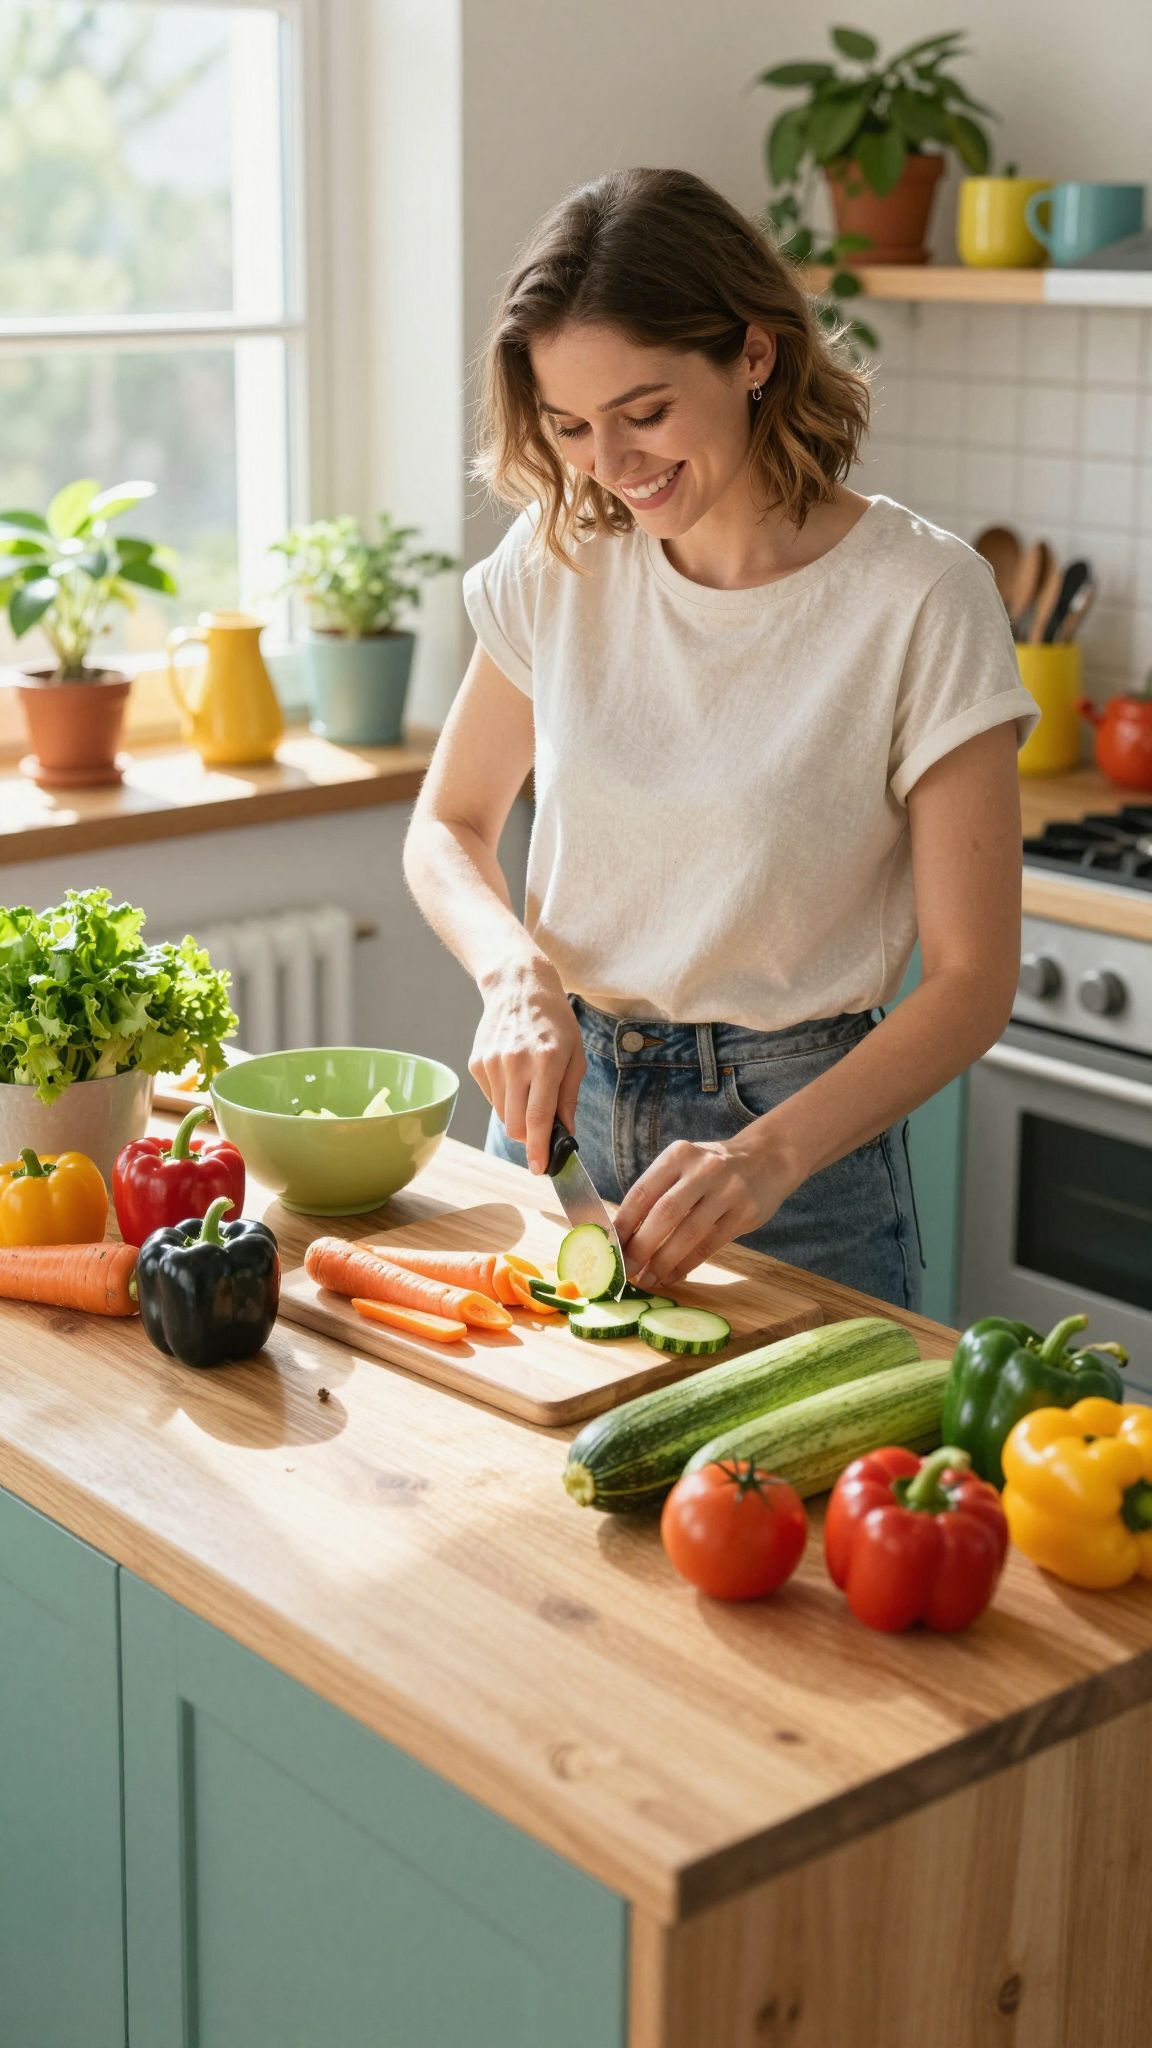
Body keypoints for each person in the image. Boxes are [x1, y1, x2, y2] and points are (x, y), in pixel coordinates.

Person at [402, 166, 1038, 1312]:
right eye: (573, 427)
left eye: (645, 412)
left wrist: (769, 1155)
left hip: (802, 1156)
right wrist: (514, 978)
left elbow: (973, 980)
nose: (614, 462)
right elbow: (447, 826)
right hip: (560, 1121)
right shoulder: (561, 562)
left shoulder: (922, 596)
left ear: (754, 354)